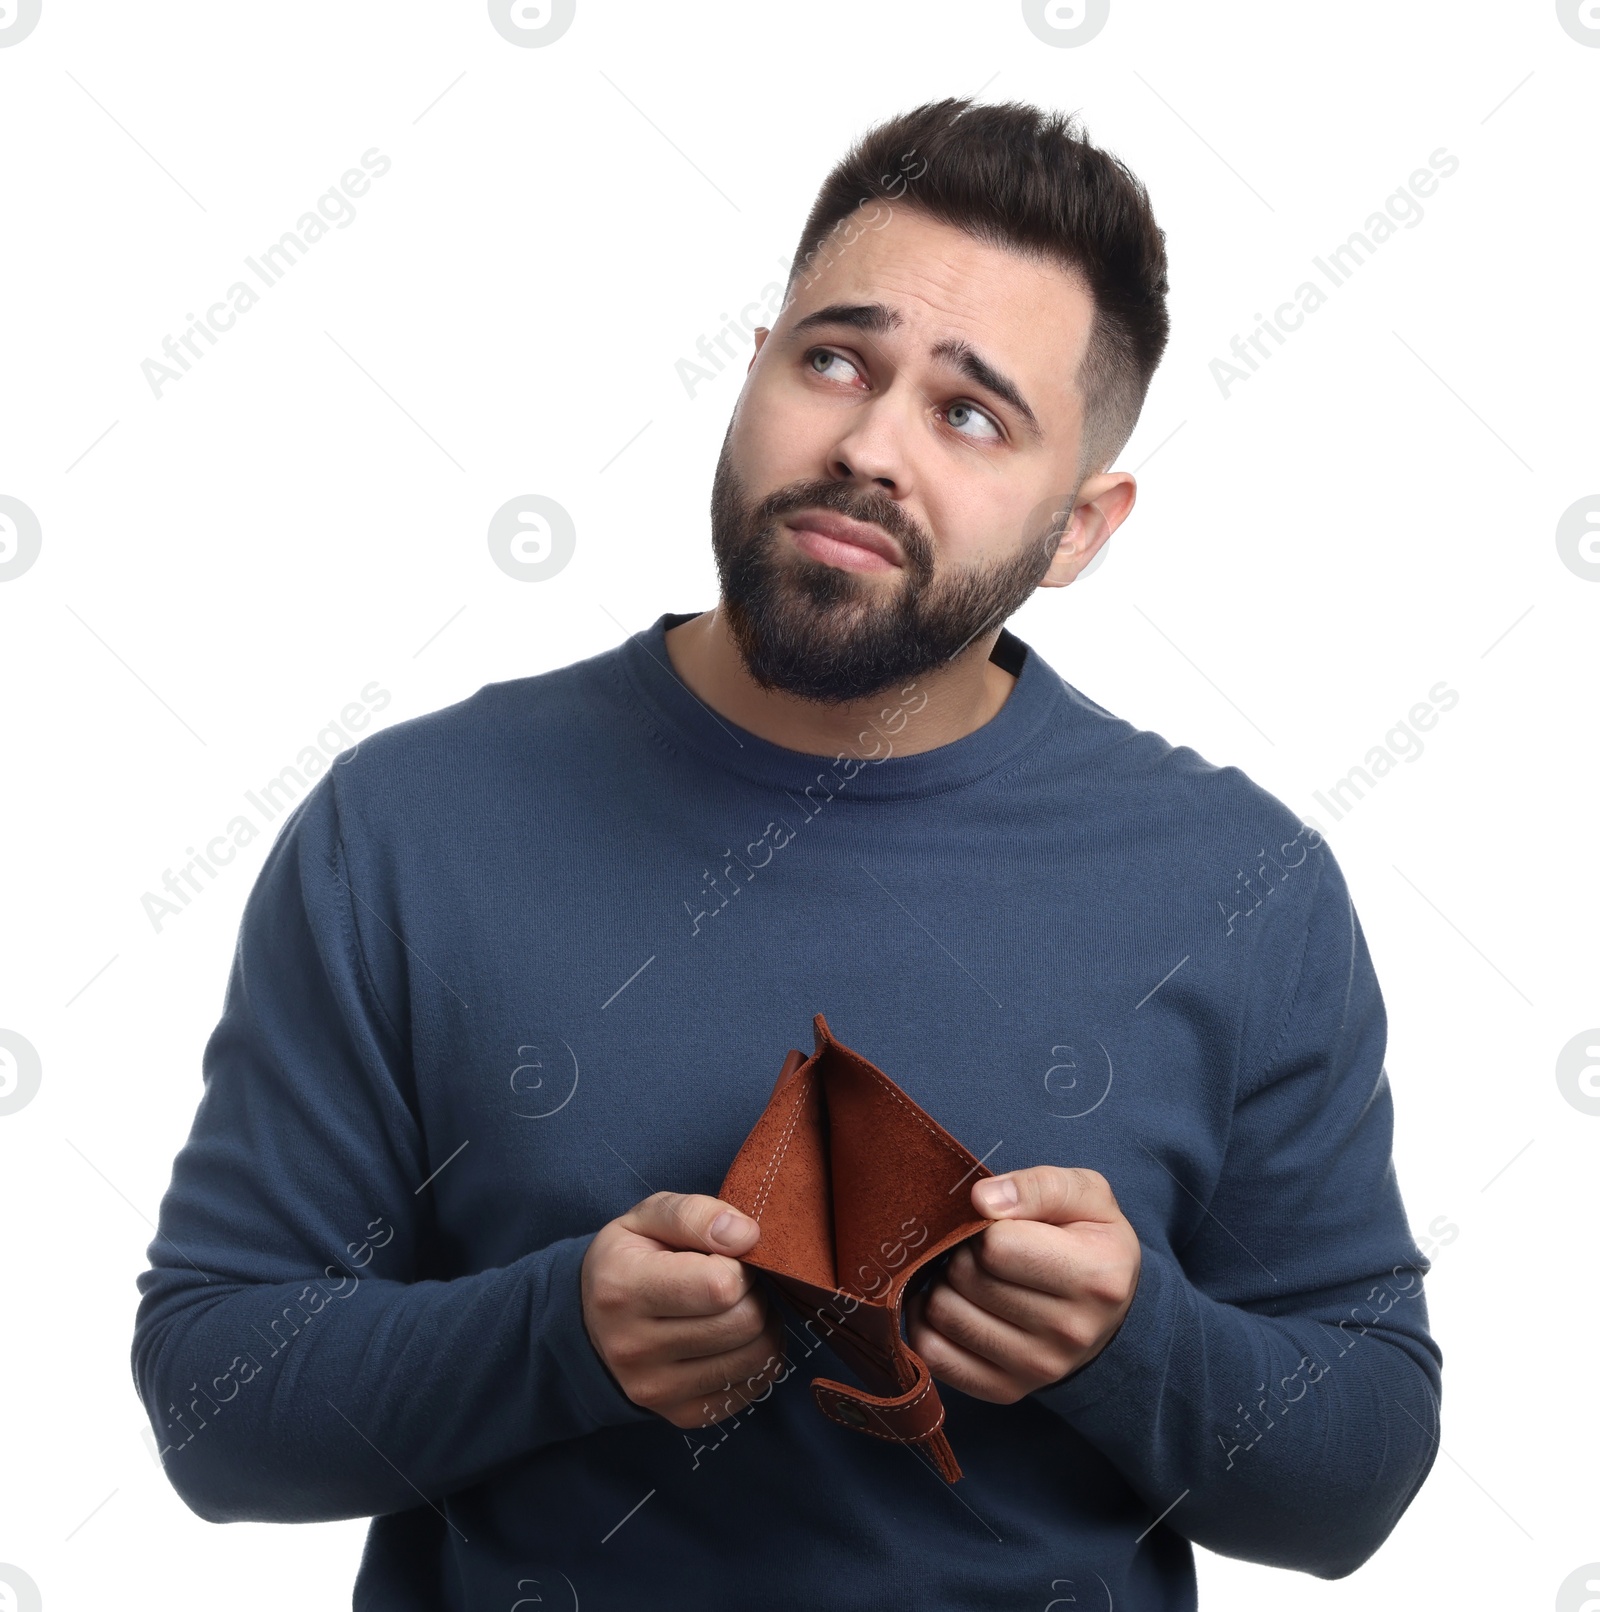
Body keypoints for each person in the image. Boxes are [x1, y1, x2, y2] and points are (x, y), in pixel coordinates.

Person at [131, 97, 1442, 1610]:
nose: (870, 445)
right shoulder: (407, 826)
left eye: (970, 413)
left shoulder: (1241, 886)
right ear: (751, 367)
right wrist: (563, 1340)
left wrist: (1135, 1343)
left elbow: (1356, 1482)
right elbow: (213, 1407)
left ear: (1081, 527)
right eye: (835, 359)